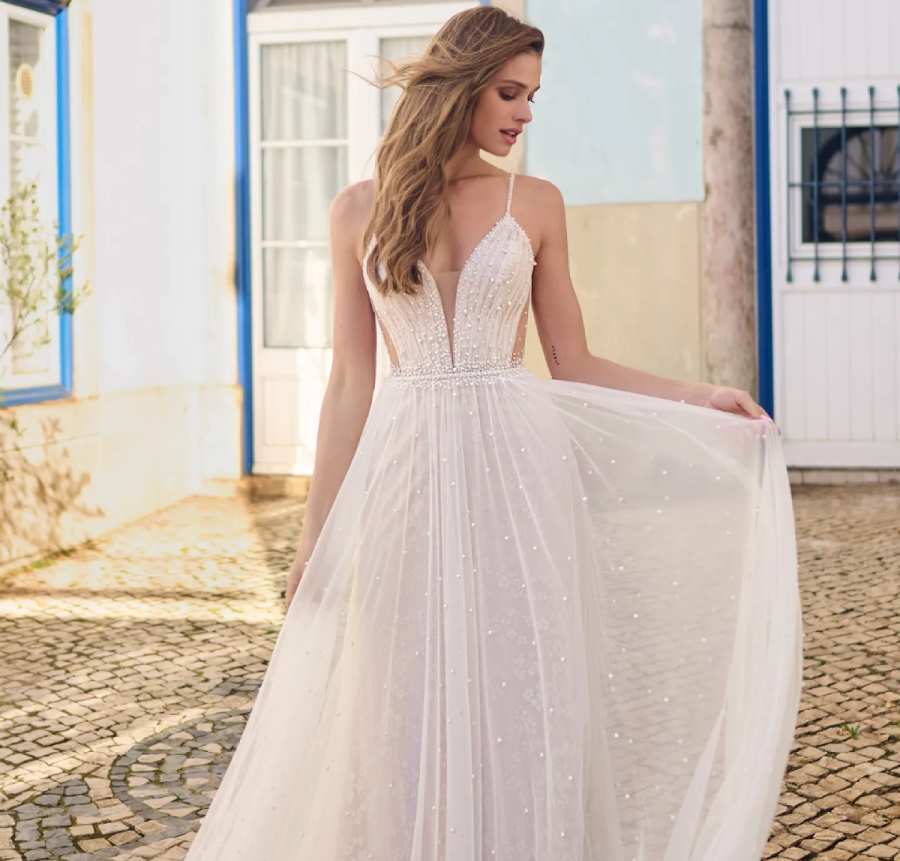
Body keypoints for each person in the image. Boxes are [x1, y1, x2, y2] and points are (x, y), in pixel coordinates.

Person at [185, 7, 802, 860]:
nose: (525, 113)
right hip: (402, 472)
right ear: (463, 86)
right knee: (393, 694)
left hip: (518, 473)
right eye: (510, 92)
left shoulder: (536, 201)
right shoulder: (357, 208)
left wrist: (702, 397)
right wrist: (314, 539)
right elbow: (351, 383)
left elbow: (574, 362)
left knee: (522, 684)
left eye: (533, 96)